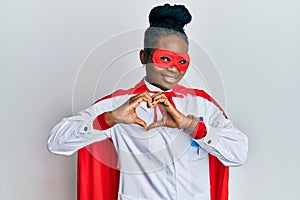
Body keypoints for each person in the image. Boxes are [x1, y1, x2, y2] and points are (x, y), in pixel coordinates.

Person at [48, 3, 248, 200]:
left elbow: (239, 153)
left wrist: (192, 126)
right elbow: (56, 143)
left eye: (181, 61)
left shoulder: (202, 104)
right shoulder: (118, 104)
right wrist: (108, 119)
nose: (174, 69)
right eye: (165, 59)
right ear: (144, 56)